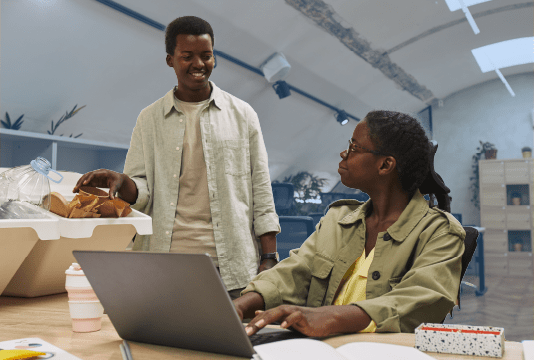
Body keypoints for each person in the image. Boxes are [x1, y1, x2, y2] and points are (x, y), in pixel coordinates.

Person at [73, 16, 280, 298]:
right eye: (187, 56)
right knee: (160, 342)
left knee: (228, 341)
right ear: (170, 60)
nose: (199, 64)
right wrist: (122, 181)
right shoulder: (149, 119)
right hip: (165, 263)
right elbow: (142, 190)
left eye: (206, 56)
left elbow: (261, 189)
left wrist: (270, 257)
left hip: (232, 267)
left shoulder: (243, 115)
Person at [233, 110, 465, 336]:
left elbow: (423, 297)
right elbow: (294, 273)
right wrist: (240, 305)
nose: (344, 153)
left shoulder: (439, 232)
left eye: (354, 147)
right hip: (322, 349)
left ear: (385, 165)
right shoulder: (338, 219)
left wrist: (331, 317)